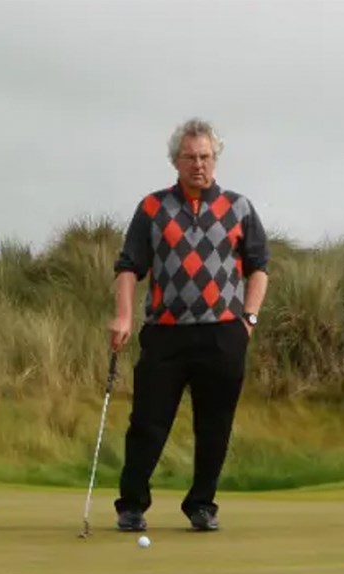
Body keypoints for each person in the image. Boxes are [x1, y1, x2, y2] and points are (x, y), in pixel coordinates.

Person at [108, 118, 270, 532]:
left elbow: (259, 268)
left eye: (205, 157)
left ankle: (201, 505)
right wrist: (124, 315)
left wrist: (248, 319)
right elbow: (129, 268)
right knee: (148, 421)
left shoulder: (239, 208)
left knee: (214, 426)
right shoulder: (152, 208)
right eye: (189, 157)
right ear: (175, 161)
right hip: (166, 332)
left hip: (223, 333)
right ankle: (132, 505)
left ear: (215, 159)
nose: (198, 164)